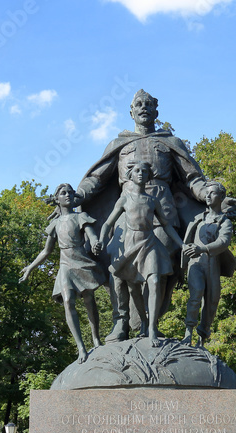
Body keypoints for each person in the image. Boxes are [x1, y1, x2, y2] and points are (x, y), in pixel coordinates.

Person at [75, 90, 212, 341]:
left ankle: (150, 324)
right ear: (131, 111)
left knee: (158, 270)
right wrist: (79, 195)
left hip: (163, 213)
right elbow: (96, 179)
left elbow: (193, 179)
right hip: (126, 215)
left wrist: (210, 193)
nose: (143, 108)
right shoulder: (120, 144)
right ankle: (121, 322)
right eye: (138, 104)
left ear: (156, 111)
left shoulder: (171, 142)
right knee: (119, 267)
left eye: (148, 104)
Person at [98, 162, 184, 347]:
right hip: (131, 244)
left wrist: (182, 244)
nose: (141, 174)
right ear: (130, 175)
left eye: (145, 171)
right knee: (133, 288)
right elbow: (107, 223)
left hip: (150, 242)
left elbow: (167, 225)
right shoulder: (125, 199)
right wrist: (101, 239)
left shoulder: (152, 201)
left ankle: (152, 328)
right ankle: (142, 322)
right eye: (137, 171)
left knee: (153, 282)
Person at [20, 183, 106, 364]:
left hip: (81, 261)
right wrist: (30, 268)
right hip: (65, 265)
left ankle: (96, 338)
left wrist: (96, 242)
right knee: (68, 302)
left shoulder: (81, 217)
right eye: (63, 193)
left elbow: (92, 235)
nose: (68, 195)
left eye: (70, 193)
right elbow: (46, 251)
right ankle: (81, 348)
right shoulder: (55, 224)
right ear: (57, 199)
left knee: (89, 300)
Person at [181, 180, 236, 347]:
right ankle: (187, 333)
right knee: (196, 294)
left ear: (221, 197)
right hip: (196, 264)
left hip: (212, 265)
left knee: (211, 302)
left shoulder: (224, 222)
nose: (207, 195)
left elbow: (223, 242)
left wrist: (202, 248)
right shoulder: (199, 218)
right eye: (207, 193)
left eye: (212, 193)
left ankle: (201, 340)